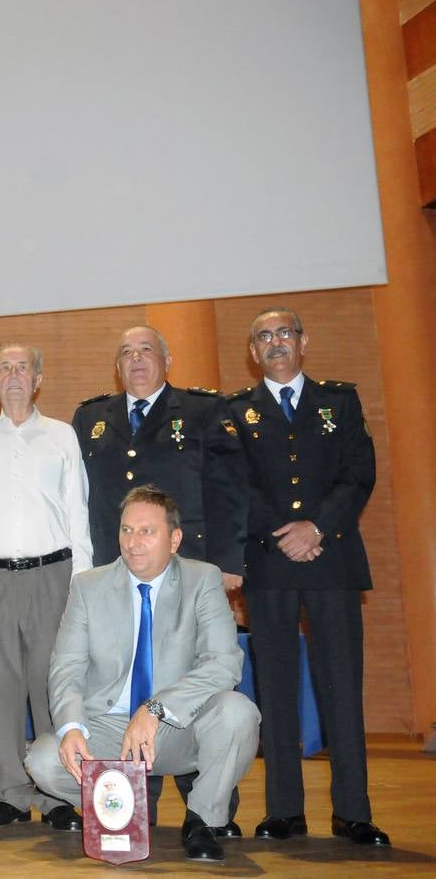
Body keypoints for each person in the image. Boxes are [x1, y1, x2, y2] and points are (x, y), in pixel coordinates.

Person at [24, 486, 260, 862]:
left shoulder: (203, 580)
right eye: (126, 530)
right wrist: (70, 727)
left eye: (147, 531)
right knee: (44, 760)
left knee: (238, 712)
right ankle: (122, 806)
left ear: (175, 539)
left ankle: (202, 818)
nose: (133, 542)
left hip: (178, 725)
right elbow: (67, 666)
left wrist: (155, 709)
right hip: (110, 726)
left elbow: (223, 663)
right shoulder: (88, 586)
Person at [71, 324, 247, 825]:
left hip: (186, 574)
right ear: (117, 366)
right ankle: (134, 802)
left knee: (195, 677)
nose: (137, 360)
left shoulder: (201, 411)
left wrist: (229, 562)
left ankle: (208, 811)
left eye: (146, 350)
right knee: (124, 676)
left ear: (165, 359)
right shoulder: (91, 418)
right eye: (126, 353)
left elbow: (228, 489)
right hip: (117, 574)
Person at [227, 308, 389, 847]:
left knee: (341, 686)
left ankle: (353, 813)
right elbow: (234, 484)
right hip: (269, 565)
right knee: (275, 691)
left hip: (333, 559)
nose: (275, 343)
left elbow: (358, 473)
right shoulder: (236, 412)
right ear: (253, 351)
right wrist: (284, 530)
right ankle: (284, 812)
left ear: (304, 342)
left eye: (284, 334)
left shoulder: (339, 402)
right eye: (264, 337)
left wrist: (316, 526)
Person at [0, 344, 92, 831]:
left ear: (38, 377)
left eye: (21, 367)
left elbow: (78, 515)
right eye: (3, 368)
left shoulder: (63, 437)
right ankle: (9, 794)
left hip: (53, 575)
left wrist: (82, 585)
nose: (12, 375)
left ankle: (59, 797)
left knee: (53, 686)